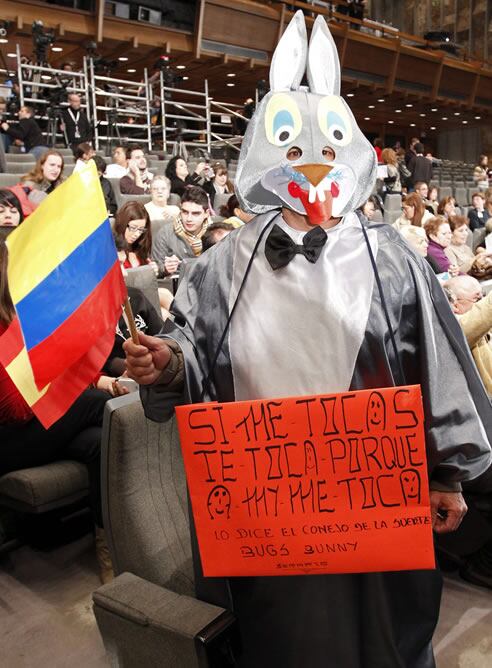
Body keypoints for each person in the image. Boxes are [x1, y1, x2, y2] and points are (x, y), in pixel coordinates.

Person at [123, 12, 491, 668]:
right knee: (280, 638)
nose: (311, 164)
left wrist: (447, 472)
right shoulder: (221, 265)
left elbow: (434, 366)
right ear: (269, 155)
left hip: (376, 494)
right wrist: (168, 360)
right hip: (265, 504)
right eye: (292, 150)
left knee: (383, 636)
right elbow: (196, 354)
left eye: (323, 150)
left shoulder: (393, 259)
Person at [0, 241, 115, 583]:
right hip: (8, 440)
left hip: (38, 425)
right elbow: (18, 409)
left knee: (98, 442)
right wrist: (86, 388)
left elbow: (55, 367)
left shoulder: (21, 314)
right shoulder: (7, 325)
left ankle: (108, 544)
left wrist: (98, 379)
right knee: (97, 406)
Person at [113, 201, 173, 316]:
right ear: (123, 223)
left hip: (143, 296)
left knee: (165, 313)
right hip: (126, 297)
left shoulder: (139, 247)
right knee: (164, 295)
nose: (136, 234)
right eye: (133, 228)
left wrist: (152, 272)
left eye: (141, 230)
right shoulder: (114, 248)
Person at [446, 275, 491, 396]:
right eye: (477, 299)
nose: (481, 303)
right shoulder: (454, 329)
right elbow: (482, 314)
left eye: (483, 296)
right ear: (455, 305)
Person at [152, 186, 210, 276]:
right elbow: (155, 270)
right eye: (185, 212)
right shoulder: (165, 233)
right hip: (176, 284)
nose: (189, 219)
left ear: (206, 214)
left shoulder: (215, 233)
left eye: (195, 213)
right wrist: (165, 269)